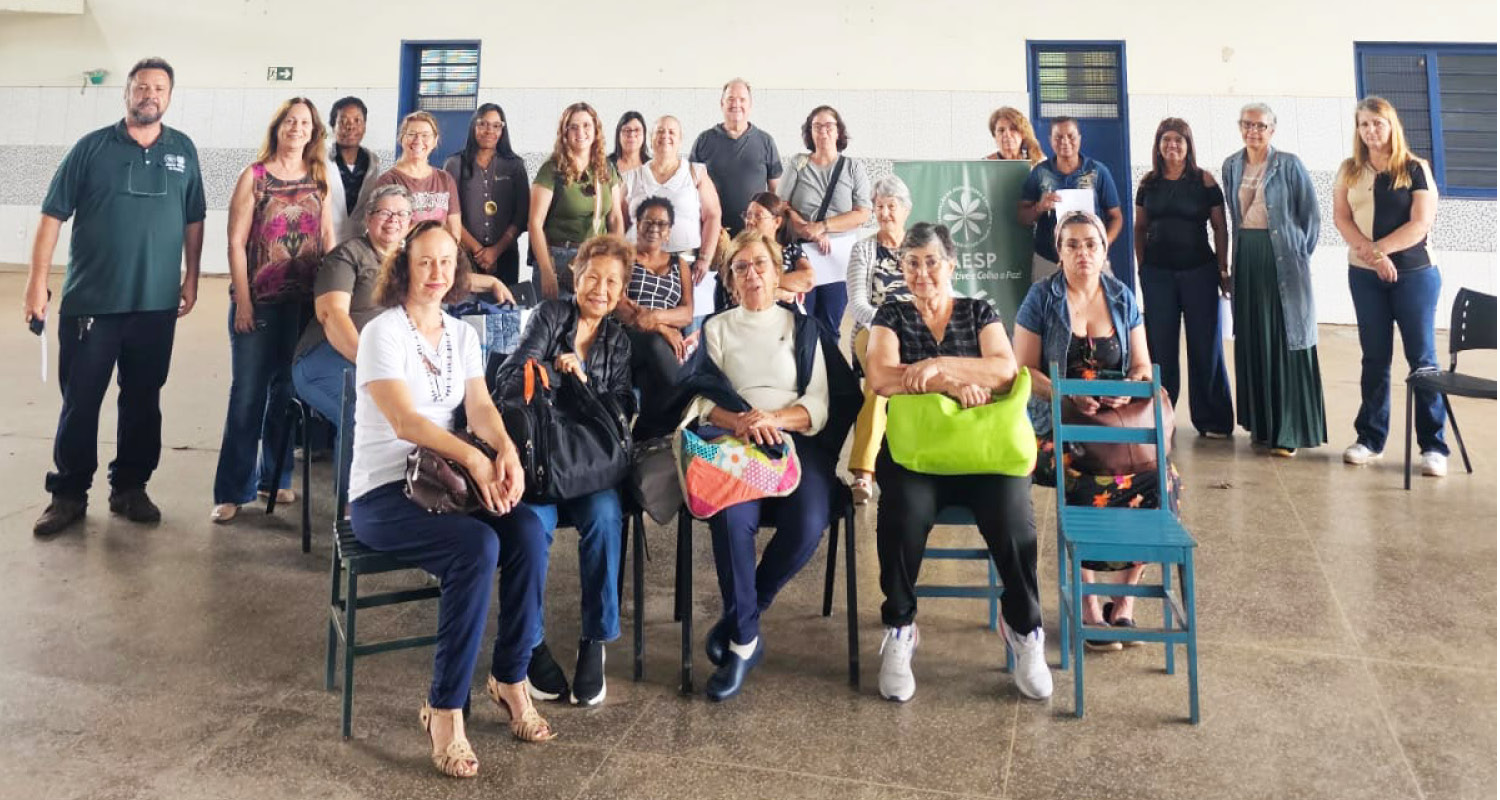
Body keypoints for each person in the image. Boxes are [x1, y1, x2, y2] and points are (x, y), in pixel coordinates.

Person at [348, 221, 553, 779]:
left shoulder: (462, 334)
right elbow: (404, 421)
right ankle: (444, 710)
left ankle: (509, 677)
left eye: (446, 262)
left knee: (527, 530)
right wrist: (474, 460)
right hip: (384, 493)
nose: (437, 273)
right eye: (424, 262)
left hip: (443, 483)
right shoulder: (382, 333)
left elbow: (480, 408)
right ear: (403, 268)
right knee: (476, 547)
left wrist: (504, 450)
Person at [863, 222, 1051, 704]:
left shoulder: (978, 310)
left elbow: (1004, 370)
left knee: (1014, 521)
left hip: (984, 454)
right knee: (900, 516)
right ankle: (901, 626)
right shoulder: (891, 314)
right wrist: (949, 383)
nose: (921, 272)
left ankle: (1024, 627)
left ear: (951, 265)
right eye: (911, 263)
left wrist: (936, 366)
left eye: (931, 261)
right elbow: (881, 376)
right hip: (917, 455)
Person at [673, 229, 860, 702]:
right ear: (730, 281)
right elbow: (700, 399)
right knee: (731, 517)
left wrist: (773, 420)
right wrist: (740, 421)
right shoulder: (715, 329)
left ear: (778, 274)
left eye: (760, 264)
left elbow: (819, 403)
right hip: (735, 442)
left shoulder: (805, 329)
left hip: (795, 440)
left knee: (810, 520)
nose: (752, 274)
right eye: (740, 267)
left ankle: (746, 609)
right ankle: (744, 642)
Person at [25, 57, 206, 537]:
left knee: (144, 399)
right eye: (141, 87)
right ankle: (68, 494)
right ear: (126, 93)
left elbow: (194, 219)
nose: (150, 95)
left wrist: (191, 278)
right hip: (93, 304)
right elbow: (52, 215)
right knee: (81, 401)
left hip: (155, 305)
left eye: (159, 88)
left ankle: (130, 487)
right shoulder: (92, 148)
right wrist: (36, 282)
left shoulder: (183, 150)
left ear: (169, 96)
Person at [1013, 210, 1176, 652]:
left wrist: (1129, 387)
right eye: (1072, 244)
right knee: (1080, 476)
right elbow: (1022, 371)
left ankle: (1122, 602)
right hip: (1056, 424)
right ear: (1059, 252)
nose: (1082, 252)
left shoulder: (1122, 297)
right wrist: (1065, 396)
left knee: (1162, 480)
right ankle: (1088, 604)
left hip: (1114, 426)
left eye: (1091, 244)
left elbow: (1142, 365)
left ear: (1105, 251)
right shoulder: (1041, 298)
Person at [494, 234, 637, 708]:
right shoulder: (550, 315)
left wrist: (583, 380)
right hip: (540, 459)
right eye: (593, 277)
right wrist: (558, 373)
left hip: (590, 463)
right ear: (576, 275)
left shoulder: (618, 341)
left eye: (611, 282)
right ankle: (531, 641)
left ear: (621, 291)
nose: (600, 289)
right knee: (531, 529)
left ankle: (595, 639)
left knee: (605, 517)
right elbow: (511, 376)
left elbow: (621, 407)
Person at [210, 97, 335, 524]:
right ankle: (232, 490)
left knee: (286, 394)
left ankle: (275, 478)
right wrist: (243, 300)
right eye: (290, 121)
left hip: (302, 305)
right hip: (259, 303)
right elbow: (235, 242)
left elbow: (329, 239)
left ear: (314, 132)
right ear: (278, 127)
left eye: (305, 123)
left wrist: (331, 299)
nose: (297, 128)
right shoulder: (255, 176)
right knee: (248, 396)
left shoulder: (319, 178)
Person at [1333, 97, 1447, 476]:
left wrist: (1380, 251)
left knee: (1422, 359)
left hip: (1414, 275)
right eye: (1364, 124)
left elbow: (1421, 223)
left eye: (1377, 123)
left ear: (1391, 125)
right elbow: (1341, 217)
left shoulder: (1415, 168)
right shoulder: (1349, 169)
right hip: (1365, 276)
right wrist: (1371, 256)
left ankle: (1434, 446)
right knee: (1375, 358)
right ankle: (1370, 439)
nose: (1370, 131)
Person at [1222, 102, 1326, 457]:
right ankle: (1263, 425)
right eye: (1247, 124)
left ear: (1272, 130)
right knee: (1254, 337)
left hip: (1282, 259)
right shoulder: (1231, 165)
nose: (1253, 131)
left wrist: (1296, 254)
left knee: (1285, 338)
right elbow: (1235, 215)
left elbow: (1311, 218)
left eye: (1260, 126)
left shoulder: (1289, 165)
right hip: (1247, 258)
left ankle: (1288, 430)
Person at [1133, 117, 1234, 438]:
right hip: (1158, 275)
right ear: (1158, 145)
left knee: (1205, 347)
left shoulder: (1204, 181)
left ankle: (1213, 419)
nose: (1172, 145)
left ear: (1188, 145)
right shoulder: (1148, 183)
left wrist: (1223, 268)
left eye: (1178, 139)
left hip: (1200, 273)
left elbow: (1220, 227)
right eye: (1166, 140)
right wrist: (1142, 266)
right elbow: (1139, 227)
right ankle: (1160, 417)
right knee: (1160, 349)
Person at [291, 184, 412, 425]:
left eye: (401, 214)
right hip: (329, 354)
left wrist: (489, 282)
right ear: (368, 217)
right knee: (365, 414)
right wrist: (373, 363)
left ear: (410, 223)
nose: (393, 220)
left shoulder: (410, 261)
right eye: (384, 213)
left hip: (384, 359)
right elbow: (332, 315)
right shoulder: (347, 255)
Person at [843, 175, 914, 505]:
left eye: (891, 206)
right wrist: (888, 328)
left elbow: (941, 291)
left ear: (906, 209)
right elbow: (857, 304)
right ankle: (864, 472)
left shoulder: (922, 245)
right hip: (873, 331)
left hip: (916, 332)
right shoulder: (864, 249)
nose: (885, 213)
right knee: (879, 381)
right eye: (879, 206)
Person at [776, 105, 872, 338]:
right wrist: (807, 230)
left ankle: (829, 363)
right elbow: (781, 205)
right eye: (817, 126)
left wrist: (823, 227)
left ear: (839, 131)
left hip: (838, 257)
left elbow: (862, 213)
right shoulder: (798, 163)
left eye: (829, 126)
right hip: (802, 252)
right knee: (800, 322)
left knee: (830, 323)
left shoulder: (853, 167)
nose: (823, 131)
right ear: (810, 132)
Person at [529, 102, 625, 301]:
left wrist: (616, 260)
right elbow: (535, 223)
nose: (580, 132)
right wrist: (546, 270)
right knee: (556, 319)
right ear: (564, 133)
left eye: (586, 125)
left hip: (597, 259)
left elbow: (615, 218)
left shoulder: (606, 169)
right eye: (573, 127)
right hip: (560, 259)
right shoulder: (551, 169)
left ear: (596, 130)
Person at [615, 198, 694, 437]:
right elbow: (620, 306)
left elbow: (687, 313)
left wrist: (656, 317)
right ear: (637, 224)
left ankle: (644, 435)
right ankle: (692, 402)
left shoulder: (680, 264)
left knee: (652, 374)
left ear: (669, 230)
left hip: (663, 347)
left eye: (661, 224)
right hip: (628, 337)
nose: (654, 228)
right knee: (654, 343)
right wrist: (662, 328)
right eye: (648, 222)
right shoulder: (624, 258)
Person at [1017, 117, 1124, 282]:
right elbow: (1022, 217)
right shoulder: (1040, 172)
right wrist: (1039, 207)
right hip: (1048, 259)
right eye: (1058, 137)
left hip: (1090, 257)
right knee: (1046, 299)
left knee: (1105, 296)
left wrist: (1103, 244)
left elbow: (1116, 217)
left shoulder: (1097, 171)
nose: (1065, 142)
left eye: (1071, 136)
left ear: (1079, 138)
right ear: (1050, 140)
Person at [622, 115, 723, 287]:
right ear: (650, 139)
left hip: (686, 263)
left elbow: (713, 215)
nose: (665, 136)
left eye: (671, 132)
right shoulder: (632, 177)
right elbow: (620, 221)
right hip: (638, 264)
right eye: (660, 131)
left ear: (680, 140)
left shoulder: (695, 173)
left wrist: (705, 258)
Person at [443, 103, 530, 285]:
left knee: (503, 302)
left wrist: (495, 251)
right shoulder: (455, 164)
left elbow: (521, 215)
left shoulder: (515, 165)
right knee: (464, 302)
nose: (489, 130)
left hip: (505, 256)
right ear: (473, 126)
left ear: (502, 130)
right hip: (464, 255)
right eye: (483, 124)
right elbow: (448, 213)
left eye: (496, 125)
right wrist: (477, 250)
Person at [690, 78, 783, 236]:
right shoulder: (704, 140)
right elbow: (691, 190)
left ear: (750, 105)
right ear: (722, 104)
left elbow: (776, 192)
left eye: (742, 99)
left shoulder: (765, 141)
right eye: (730, 99)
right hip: (714, 234)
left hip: (754, 234)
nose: (736, 104)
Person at [372, 111, 462, 241]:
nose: (418, 140)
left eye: (425, 135)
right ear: (402, 139)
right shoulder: (388, 181)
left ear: (435, 141)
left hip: (439, 251)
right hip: (403, 253)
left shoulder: (445, 179)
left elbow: (455, 231)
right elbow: (384, 232)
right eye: (411, 134)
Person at [327, 96, 381, 243]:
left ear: (365, 126)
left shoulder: (373, 161)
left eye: (357, 121)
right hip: (325, 241)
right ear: (333, 126)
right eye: (343, 121)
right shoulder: (321, 160)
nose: (350, 127)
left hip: (359, 243)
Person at [608, 110, 650, 176]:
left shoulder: (652, 166)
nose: (632, 134)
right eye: (627, 130)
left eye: (637, 130)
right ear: (618, 135)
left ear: (644, 134)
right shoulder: (605, 165)